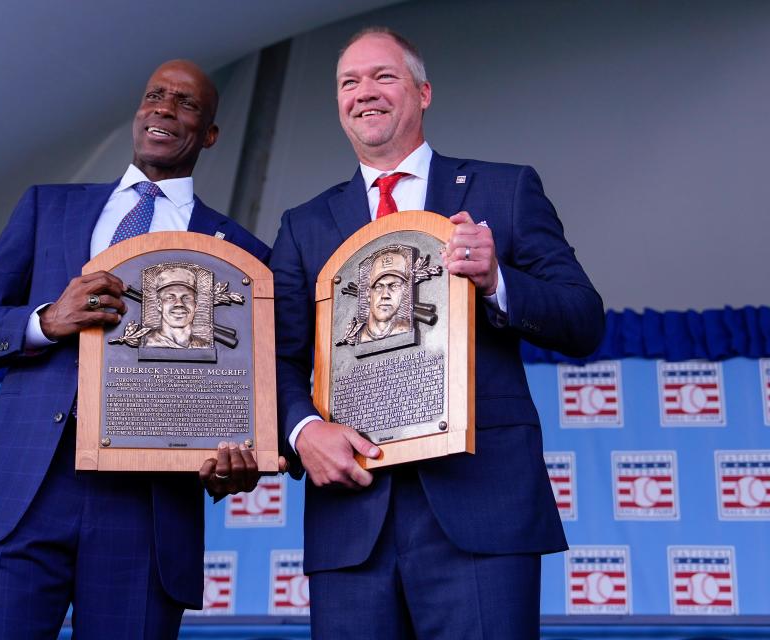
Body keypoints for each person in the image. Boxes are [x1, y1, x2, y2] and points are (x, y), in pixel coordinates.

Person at [270, 28, 605, 639]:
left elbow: (583, 319)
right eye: (349, 82)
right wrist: (303, 430)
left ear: (423, 92)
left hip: (480, 508)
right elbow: (277, 360)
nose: (364, 93)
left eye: (383, 76)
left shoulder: (503, 191)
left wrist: (498, 278)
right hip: (352, 517)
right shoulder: (303, 225)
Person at [0, 59, 272, 639]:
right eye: (155, 96)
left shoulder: (242, 254)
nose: (164, 109)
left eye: (186, 103)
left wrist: (237, 459)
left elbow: (247, 391)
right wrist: (46, 320)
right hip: (22, 493)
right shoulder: (48, 207)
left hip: (146, 511)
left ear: (210, 133)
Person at [141, 266, 211, 349]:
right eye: (170, 298)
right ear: (159, 305)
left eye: (186, 298)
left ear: (195, 305)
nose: (179, 303)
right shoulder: (147, 342)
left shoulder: (205, 346)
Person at [358, 248, 412, 342]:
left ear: (403, 292)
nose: (385, 295)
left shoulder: (406, 329)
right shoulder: (358, 336)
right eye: (379, 287)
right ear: (368, 293)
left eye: (394, 286)